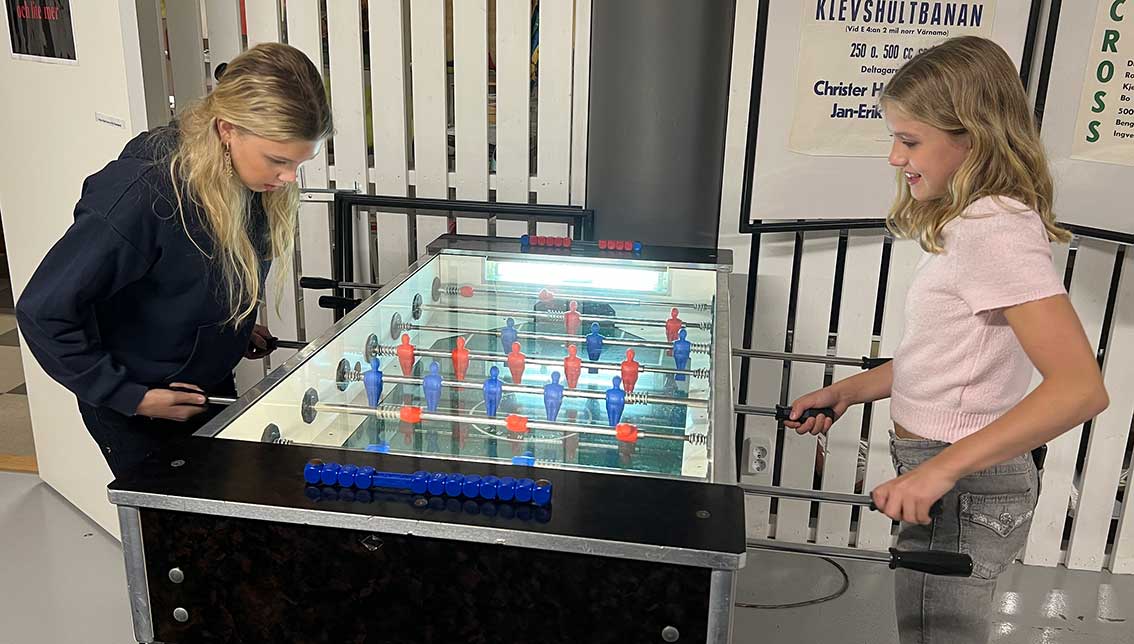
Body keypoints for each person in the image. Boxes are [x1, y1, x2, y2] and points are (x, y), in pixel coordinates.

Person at [785, 36, 1108, 642]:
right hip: (951, 471)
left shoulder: (994, 230)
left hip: (962, 480)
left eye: (910, 141)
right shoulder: (977, 222)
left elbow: (1080, 389)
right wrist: (849, 391)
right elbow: (946, 357)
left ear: (974, 138)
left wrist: (937, 474)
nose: (895, 158)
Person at [16, 43, 333, 478]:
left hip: (204, 386)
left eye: (299, 162)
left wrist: (229, 328)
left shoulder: (250, 179)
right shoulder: (142, 195)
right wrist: (131, 396)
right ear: (227, 129)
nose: (289, 177)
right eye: (277, 160)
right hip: (139, 405)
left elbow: (193, 277)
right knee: (172, 519)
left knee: (227, 505)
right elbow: (42, 311)